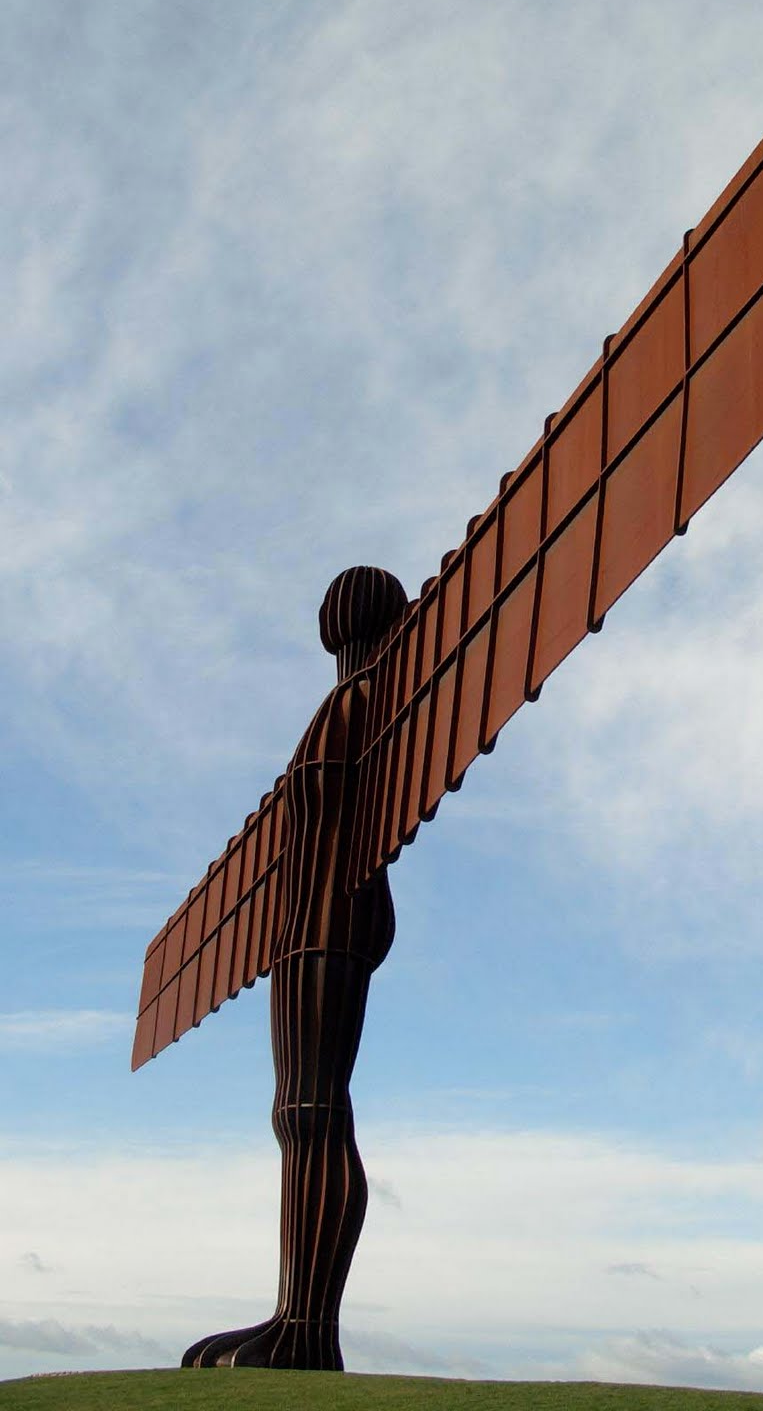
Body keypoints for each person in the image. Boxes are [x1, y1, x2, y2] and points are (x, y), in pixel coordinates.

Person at [183, 565, 408, 1370]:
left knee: (316, 1108)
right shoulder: (334, 709)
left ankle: (312, 1330)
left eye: (345, 595)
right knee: (296, 1114)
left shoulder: (385, 696)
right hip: (298, 931)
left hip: (334, 923)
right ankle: (293, 1315)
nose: (330, 609)